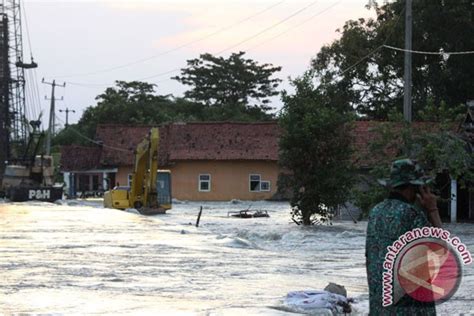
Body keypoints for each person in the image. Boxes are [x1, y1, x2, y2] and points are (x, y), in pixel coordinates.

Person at [365, 158, 442, 315]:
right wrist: (433, 210)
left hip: (380, 303)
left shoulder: (376, 212)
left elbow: (369, 257)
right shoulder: (412, 214)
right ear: (413, 188)